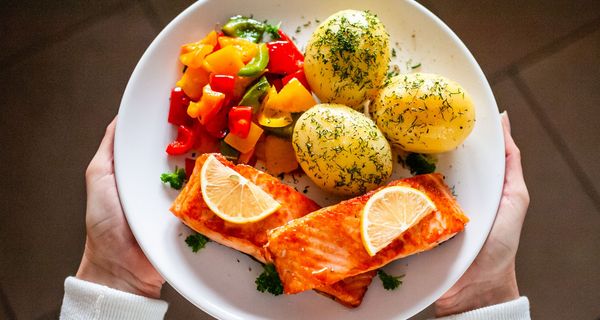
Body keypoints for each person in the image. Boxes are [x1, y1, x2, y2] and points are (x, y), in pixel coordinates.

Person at [60, 112, 530, 319]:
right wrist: (483, 298)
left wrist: (113, 275)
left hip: (332, 247)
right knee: (297, 247)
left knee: (304, 250)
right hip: (303, 249)